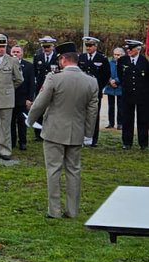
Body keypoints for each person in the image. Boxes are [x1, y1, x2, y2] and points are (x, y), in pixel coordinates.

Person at [27, 42, 99, 218]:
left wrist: (30, 120)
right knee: (74, 171)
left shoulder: (54, 78)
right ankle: (72, 210)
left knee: (53, 170)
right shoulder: (91, 81)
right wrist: (88, 134)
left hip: (54, 131)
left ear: (63, 59)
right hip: (76, 132)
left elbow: (40, 103)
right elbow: (92, 111)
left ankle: (54, 210)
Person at [77, 37, 111, 146]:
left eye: (90, 46)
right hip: (82, 91)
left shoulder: (102, 58)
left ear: (95, 46)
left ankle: (93, 139)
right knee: (81, 115)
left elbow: (106, 75)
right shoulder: (81, 57)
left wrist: (98, 88)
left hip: (95, 92)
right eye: (87, 46)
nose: (88, 48)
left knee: (94, 116)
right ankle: (80, 138)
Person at [118, 39, 149, 150]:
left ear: (138, 49)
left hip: (142, 96)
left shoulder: (144, 61)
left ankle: (143, 143)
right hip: (128, 95)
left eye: (131, 49)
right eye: (127, 49)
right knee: (127, 119)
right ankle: (127, 142)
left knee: (143, 120)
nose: (129, 51)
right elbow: (121, 76)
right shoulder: (123, 60)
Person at [10, 45, 35, 151]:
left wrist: (29, 99)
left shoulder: (28, 66)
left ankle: (23, 142)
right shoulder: (7, 65)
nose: (15, 54)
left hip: (23, 99)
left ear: (22, 53)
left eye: (18, 52)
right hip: (9, 98)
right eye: (13, 52)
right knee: (10, 122)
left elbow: (31, 84)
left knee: (22, 122)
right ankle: (12, 141)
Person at [104, 46, 124, 130]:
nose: (116, 56)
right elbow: (106, 72)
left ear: (122, 55)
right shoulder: (109, 62)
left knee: (120, 106)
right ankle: (111, 123)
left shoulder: (124, 63)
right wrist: (110, 81)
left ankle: (120, 123)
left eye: (118, 55)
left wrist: (116, 81)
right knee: (110, 106)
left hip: (120, 87)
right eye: (115, 54)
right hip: (110, 87)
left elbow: (124, 74)